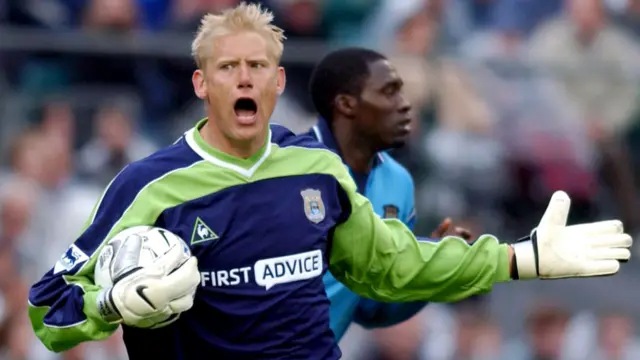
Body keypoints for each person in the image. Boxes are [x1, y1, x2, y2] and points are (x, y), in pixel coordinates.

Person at [28, 3, 632, 360]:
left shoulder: (316, 170)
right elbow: (47, 311)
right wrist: (105, 304)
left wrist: (517, 259)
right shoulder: (148, 186)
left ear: (278, 83)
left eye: (257, 67)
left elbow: (394, 265)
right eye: (227, 68)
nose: (244, 80)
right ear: (200, 85)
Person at [306, 47, 472, 341]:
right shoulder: (289, 171)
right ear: (346, 104)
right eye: (389, 92)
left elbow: (373, 307)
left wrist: (433, 269)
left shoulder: (398, 183)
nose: (406, 105)